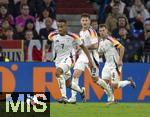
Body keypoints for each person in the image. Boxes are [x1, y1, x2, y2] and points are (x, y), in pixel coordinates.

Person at [43, 19, 94, 103]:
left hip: (69, 59)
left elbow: (84, 48)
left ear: (66, 27)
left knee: (57, 73)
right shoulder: (52, 35)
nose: (60, 29)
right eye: (58, 26)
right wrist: (45, 53)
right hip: (58, 61)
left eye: (62, 27)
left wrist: (90, 60)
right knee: (68, 84)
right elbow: (47, 44)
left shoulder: (73, 36)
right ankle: (81, 91)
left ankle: (64, 97)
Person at [68, 13, 114, 104]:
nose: (84, 22)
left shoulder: (92, 31)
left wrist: (83, 47)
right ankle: (73, 98)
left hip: (92, 57)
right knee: (75, 74)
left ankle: (110, 93)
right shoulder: (81, 32)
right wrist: (78, 49)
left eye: (86, 20)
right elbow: (81, 45)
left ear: (89, 21)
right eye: (83, 20)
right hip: (82, 56)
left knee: (95, 80)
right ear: (81, 22)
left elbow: (95, 45)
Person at [98, 24, 136, 102]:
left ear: (107, 31)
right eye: (100, 31)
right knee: (103, 84)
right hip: (107, 64)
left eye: (103, 30)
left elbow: (122, 48)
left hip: (115, 65)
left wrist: (120, 60)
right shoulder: (101, 42)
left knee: (114, 85)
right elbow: (100, 53)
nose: (102, 32)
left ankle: (129, 82)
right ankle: (112, 98)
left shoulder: (111, 39)